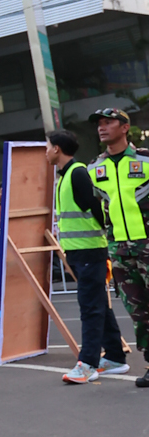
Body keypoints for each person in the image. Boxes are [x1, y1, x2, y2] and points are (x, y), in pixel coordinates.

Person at [44, 127, 127, 384]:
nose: (45, 152)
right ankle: (114, 356)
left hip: (90, 251)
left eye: (47, 147)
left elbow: (99, 209)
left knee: (90, 308)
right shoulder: (66, 175)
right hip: (80, 252)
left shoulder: (78, 173)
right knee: (97, 303)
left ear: (57, 149)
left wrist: (105, 239)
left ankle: (88, 363)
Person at [90, 107, 149, 388]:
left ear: (125, 127)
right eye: (99, 124)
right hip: (120, 251)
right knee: (139, 312)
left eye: (108, 122)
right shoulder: (94, 168)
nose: (102, 128)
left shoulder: (145, 160)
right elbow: (98, 207)